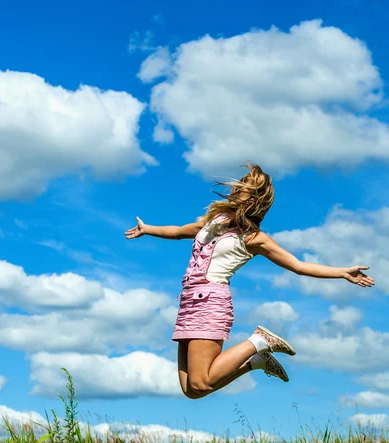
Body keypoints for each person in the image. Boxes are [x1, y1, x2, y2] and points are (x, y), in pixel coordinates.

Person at [125, 163, 374, 400]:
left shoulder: (254, 238)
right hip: (188, 303)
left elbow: (298, 266)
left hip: (210, 303)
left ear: (254, 199)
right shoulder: (215, 221)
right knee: (191, 389)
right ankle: (255, 361)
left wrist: (342, 272)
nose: (236, 188)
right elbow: (180, 231)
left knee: (201, 382)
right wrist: (148, 229)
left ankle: (260, 340)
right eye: (239, 184)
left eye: (244, 186)